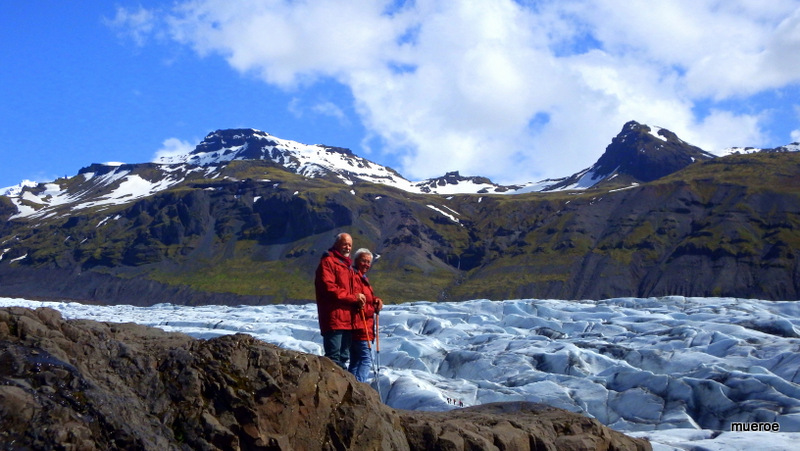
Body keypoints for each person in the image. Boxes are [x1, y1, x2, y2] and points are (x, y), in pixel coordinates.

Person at [315, 233, 365, 369]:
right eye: (345, 244)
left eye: (350, 245)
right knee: (334, 359)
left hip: (347, 320)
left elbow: (356, 288)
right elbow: (329, 289)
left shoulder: (347, 267)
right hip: (334, 319)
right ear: (336, 244)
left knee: (343, 358)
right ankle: (331, 389)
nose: (348, 248)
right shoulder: (328, 262)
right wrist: (354, 297)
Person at [348, 248, 383, 383]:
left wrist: (376, 300)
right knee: (366, 359)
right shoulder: (355, 278)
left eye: (368, 262)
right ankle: (358, 389)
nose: (366, 264)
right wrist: (373, 309)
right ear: (356, 260)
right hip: (360, 327)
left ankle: (349, 387)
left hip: (361, 327)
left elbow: (368, 299)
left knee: (355, 361)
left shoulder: (362, 278)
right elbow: (359, 303)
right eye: (363, 261)